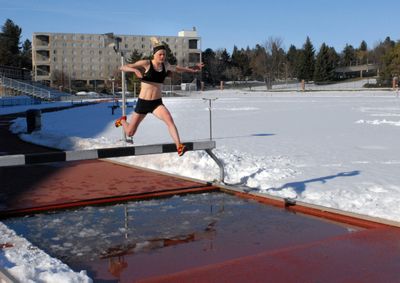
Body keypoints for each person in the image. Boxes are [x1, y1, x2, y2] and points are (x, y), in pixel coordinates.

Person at [115, 37, 204, 156]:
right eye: (160, 54)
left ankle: (179, 146)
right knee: (130, 132)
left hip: (156, 103)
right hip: (143, 103)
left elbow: (178, 68)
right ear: (155, 54)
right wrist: (134, 71)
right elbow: (122, 67)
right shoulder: (146, 63)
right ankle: (123, 121)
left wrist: (192, 70)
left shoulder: (165, 66)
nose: (162, 57)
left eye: (164, 55)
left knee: (170, 121)